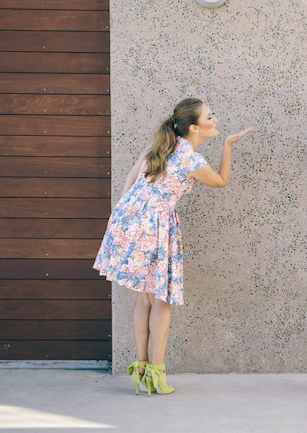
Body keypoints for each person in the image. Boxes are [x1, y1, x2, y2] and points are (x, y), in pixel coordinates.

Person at [93, 98, 251, 396]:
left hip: (129, 218)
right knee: (161, 300)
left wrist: (123, 209)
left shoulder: (163, 145)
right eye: (210, 116)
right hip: (155, 224)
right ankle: (158, 373)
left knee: (144, 299)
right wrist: (228, 146)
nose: (215, 120)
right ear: (195, 127)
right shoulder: (190, 158)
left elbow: (132, 176)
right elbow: (220, 181)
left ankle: (141, 368)